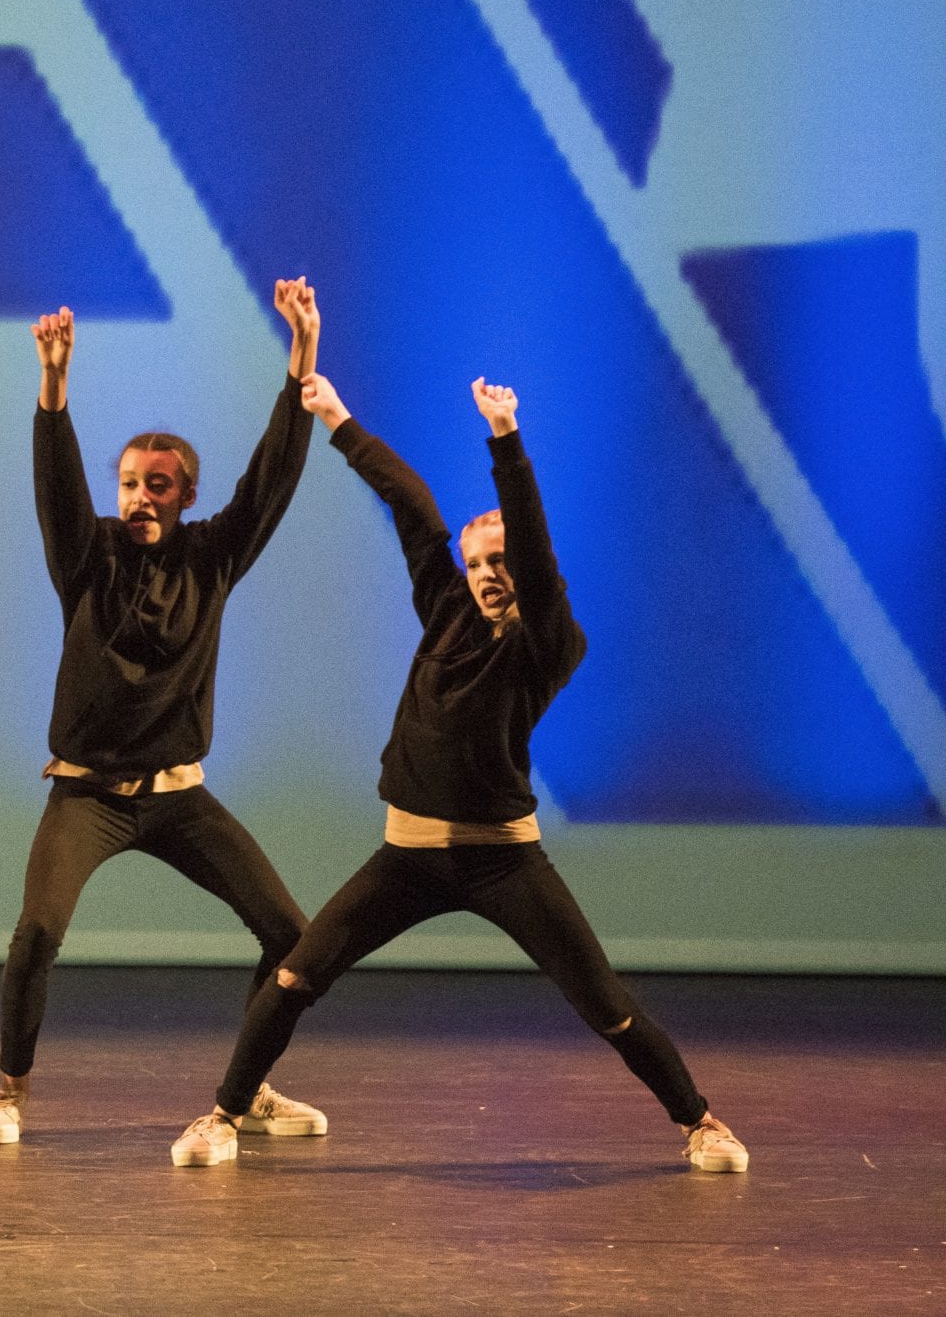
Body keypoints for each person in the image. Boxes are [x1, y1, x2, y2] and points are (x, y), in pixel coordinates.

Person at [168, 374, 748, 1173]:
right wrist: (338, 419)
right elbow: (412, 510)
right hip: (407, 856)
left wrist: (505, 440)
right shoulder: (446, 610)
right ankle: (224, 1114)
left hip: (503, 857)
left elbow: (536, 557)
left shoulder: (546, 639)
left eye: (499, 559)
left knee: (607, 1007)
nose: (485, 571)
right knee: (296, 972)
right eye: (476, 560)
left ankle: (702, 1123)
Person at [0, 284, 330, 1145]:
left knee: (290, 933)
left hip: (178, 795)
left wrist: (302, 358)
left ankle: (247, 1093)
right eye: (130, 481)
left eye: (158, 485)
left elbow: (271, 480)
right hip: (88, 796)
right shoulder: (86, 554)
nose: (140, 495)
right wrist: (53, 386)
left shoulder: (212, 557)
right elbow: (55, 485)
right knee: (36, 933)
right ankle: (11, 1090)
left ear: (185, 495)